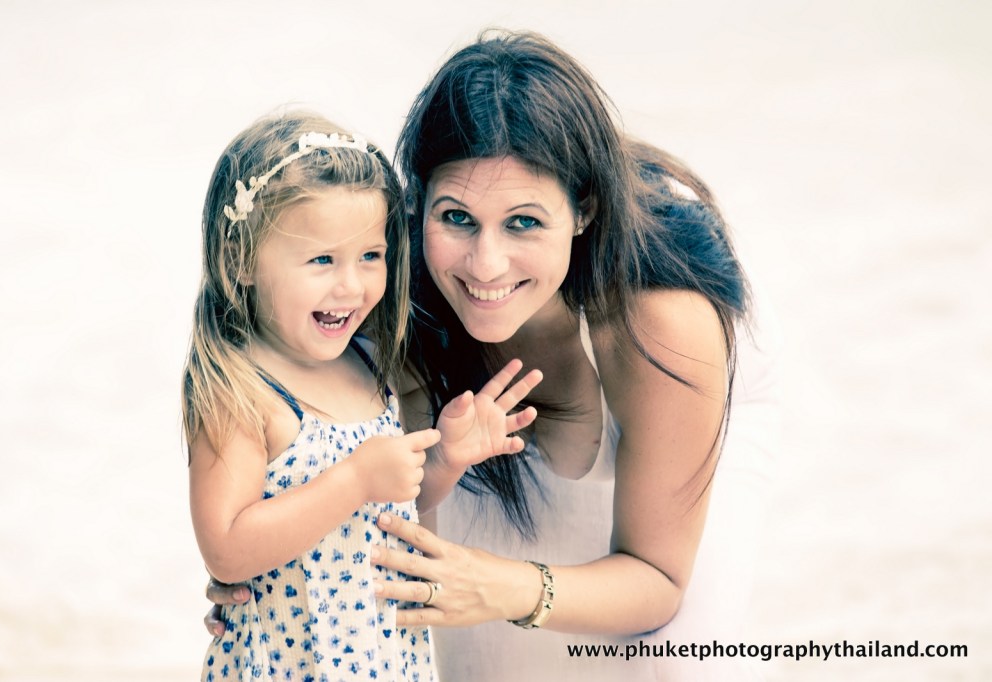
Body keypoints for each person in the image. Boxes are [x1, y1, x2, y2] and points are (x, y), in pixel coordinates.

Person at [206, 32, 781, 681]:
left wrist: (505, 585)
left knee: (675, 661)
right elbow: (295, 464)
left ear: (584, 209)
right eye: (457, 218)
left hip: (681, 397)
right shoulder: (387, 286)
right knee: (464, 649)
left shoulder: (663, 323)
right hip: (470, 422)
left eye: (524, 223)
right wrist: (259, 578)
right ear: (418, 201)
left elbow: (657, 581)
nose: (486, 264)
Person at [183, 110, 541, 681]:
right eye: (322, 259)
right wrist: (352, 480)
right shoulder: (243, 392)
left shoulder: (368, 363)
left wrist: (444, 460)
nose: (352, 286)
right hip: (292, 665)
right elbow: (225, 549)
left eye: (370, 256)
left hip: (383, 660)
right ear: (241, 260)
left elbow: (389, 511)